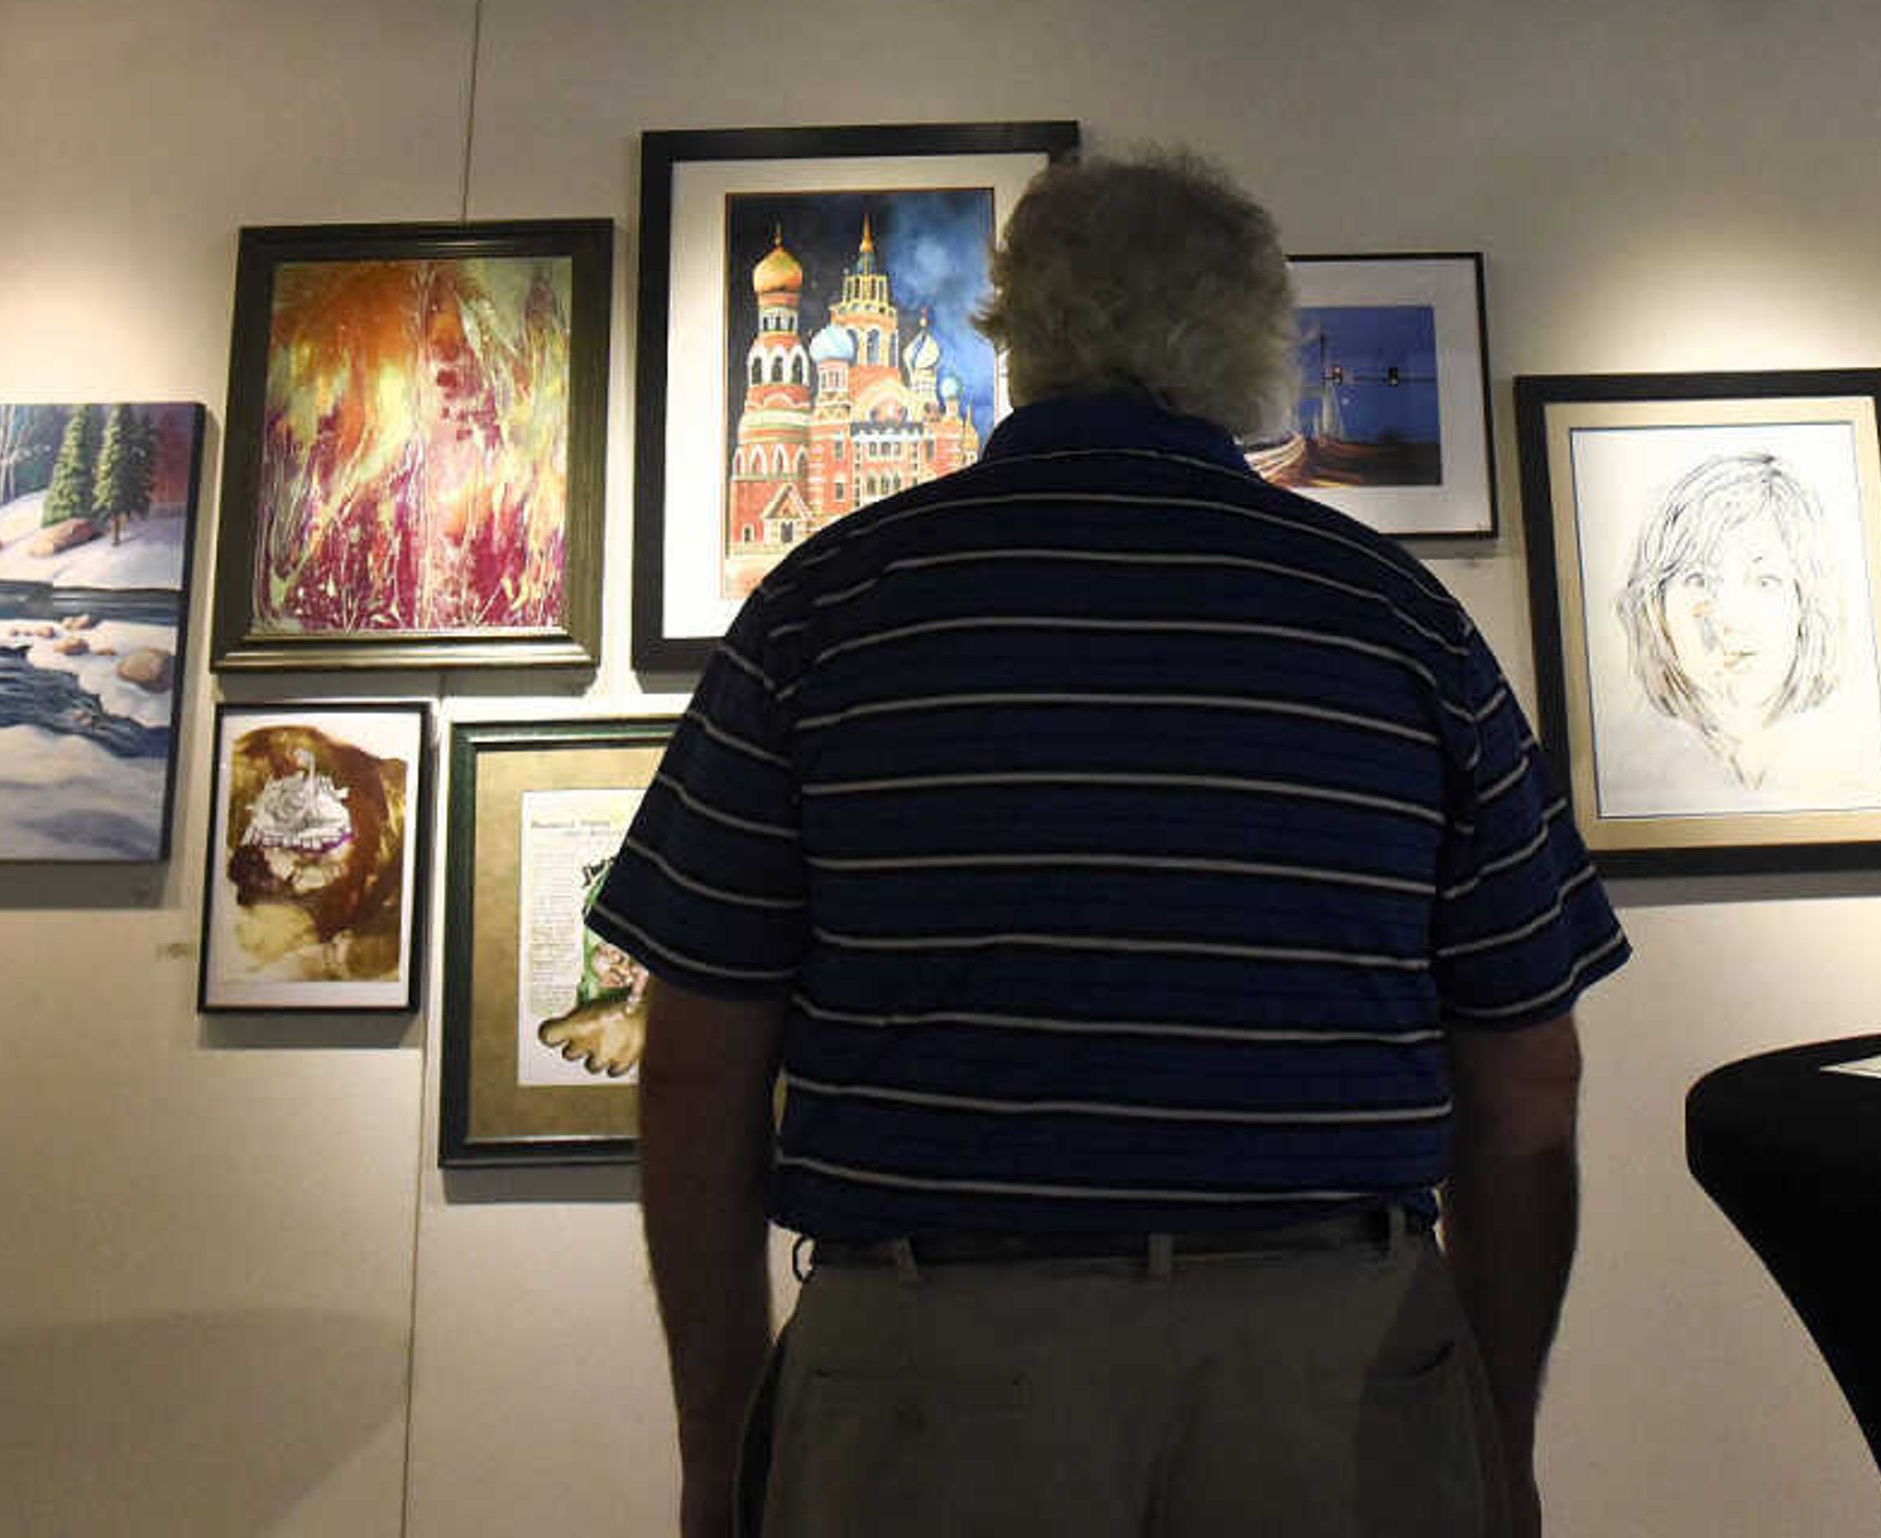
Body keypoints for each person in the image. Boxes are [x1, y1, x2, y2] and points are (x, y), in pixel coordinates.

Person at [591, 149, 1628, 1538]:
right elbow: (1530, 1079)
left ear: (1016, 329)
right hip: (1334, 1374)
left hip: (927, 1376)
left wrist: (720, 1445)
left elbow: (697, 1072)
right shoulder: (1398, 619)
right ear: (1255, 349)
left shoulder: (828, 605)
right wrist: (1495, 1428)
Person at [1598, 446, 1881, 817]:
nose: (1731, 618)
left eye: (1765, 581)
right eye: (1698, 579)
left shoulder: (1853, 767)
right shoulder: (1625, 770)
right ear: (1654, 606)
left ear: (1807, 603)